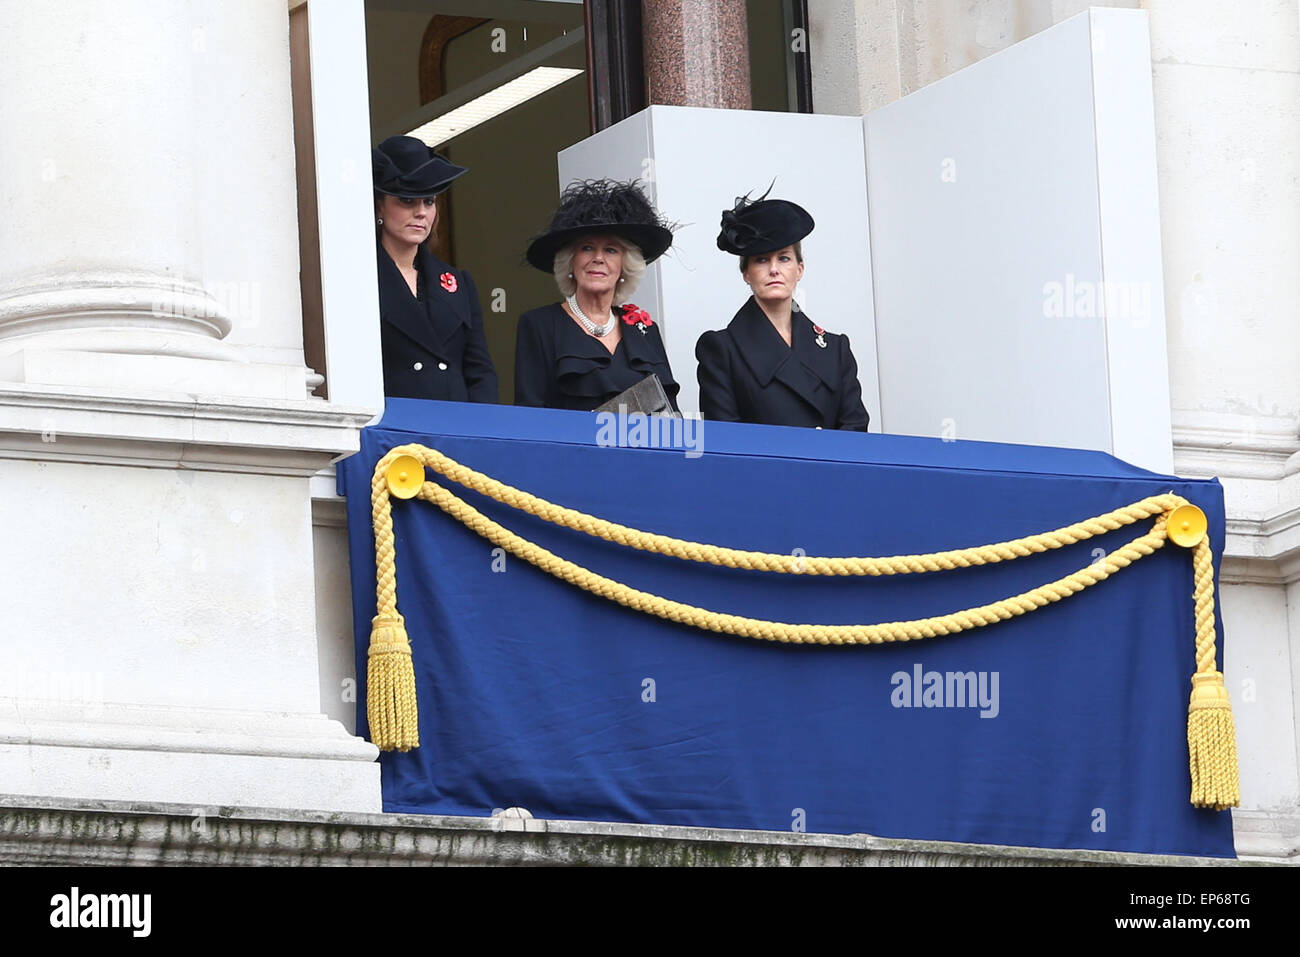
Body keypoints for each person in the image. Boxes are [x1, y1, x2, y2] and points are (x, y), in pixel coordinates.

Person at [696, 191, 870, 431]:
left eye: (784, 258)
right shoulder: (721, 350)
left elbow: (856, 430)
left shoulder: (836, 349)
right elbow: (727, 443)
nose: (774, 269)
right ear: (746, 273)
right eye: (761, 260)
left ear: (800, 269)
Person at [515, 180, 679, 412]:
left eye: (611, 250)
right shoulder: (538, 325)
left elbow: (669, 413)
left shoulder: (645, 329)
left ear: (625, 265)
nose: (598, 258)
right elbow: (530, 416)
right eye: (587, 248)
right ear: (570, 261)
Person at [372, 135, 498, 403]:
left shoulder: (459, 282)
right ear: (379, 205)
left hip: (454, 427)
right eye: (407, 200)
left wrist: (479, 433)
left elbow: (480, 373)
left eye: (429, 201)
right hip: (394, 430)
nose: (421, 212)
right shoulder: (361, 279)